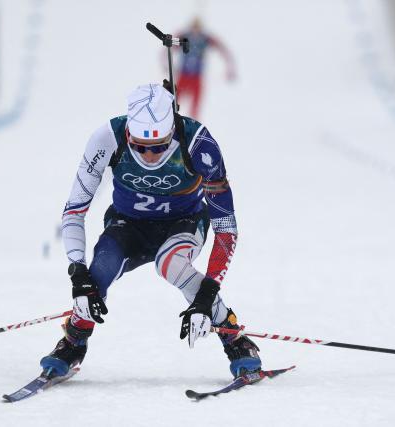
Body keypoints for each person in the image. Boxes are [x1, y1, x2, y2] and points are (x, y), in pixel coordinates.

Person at [40, 83, 261, 379]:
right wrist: (78, 275)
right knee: (100, 268)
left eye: (159, 146)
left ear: (171, 131)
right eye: (140, 146)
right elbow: (74, 211)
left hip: (183, 224)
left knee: (171, 264)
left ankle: (234, 338)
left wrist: (206, 296)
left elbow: (226, 229)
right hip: (127, 225)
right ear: (129, 132)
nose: (151, 154)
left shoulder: (198, 143)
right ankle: (73, 342)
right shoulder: (107, 137)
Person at [174, 18, 236, 119]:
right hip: (183, 75)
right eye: (194, 28)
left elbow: (222, 48)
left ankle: (193, 124)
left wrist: (230, 67)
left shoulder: (205, 38)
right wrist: (165, 64)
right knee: (175, 100)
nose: (195, 31)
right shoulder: (184, 36)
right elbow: (169, 46)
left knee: (195, 106)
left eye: (197, 28)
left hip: (196, 77)